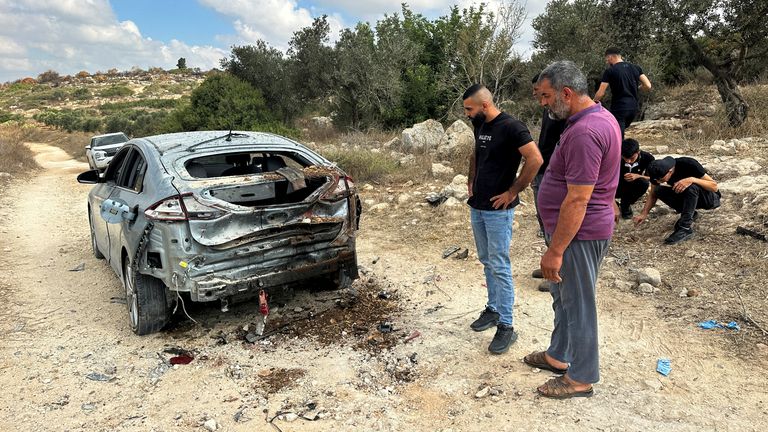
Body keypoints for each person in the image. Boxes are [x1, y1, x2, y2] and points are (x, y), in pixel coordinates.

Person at [524, 60, 621, 399]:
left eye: (546, 96)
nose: (544, 103)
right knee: (563, 300)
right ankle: (558, 355)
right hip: (577, 231)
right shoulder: (594, 118)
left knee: (578, 305)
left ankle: (580, 377)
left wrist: (555, 250)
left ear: (566, 92)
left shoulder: (584, 131)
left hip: (579, 235)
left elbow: (578, 199)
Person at [463, 84, 543, 355]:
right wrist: (471, 179)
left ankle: (507, 326)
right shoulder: (480, 124)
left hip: (499, 210)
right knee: (487, 261)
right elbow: (476, 152)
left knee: (499, 265)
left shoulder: (512, 127)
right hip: (478, 205)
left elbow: (535, 159)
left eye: (469, 109)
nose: (467, 114)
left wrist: (513, 191)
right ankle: (493, 309)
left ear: (485, 105)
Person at [530, 74, 567, 293]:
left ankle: (557, 272)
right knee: (543, 220)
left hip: (552, 173)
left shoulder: (562, 112)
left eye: (541, 92)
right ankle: (548, 264)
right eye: (536, 91)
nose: (537, 96)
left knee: (553, 222)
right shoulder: (548, 110)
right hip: (541, 168)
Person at [634, 156, 721, 244]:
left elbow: (714, 186)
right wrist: (644, 214)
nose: (659, 181)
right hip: (689, 199)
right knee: (658, 190)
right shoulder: (658, 173)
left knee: (691, 187)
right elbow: (652, 194)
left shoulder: (689, 164)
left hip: (710, 199)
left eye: (661, 179)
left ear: (670, 172)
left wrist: (691, 180)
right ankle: (690, 214)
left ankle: (685, 228)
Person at [594, 47, 652, 138]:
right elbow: (648, 85)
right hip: (634, 108)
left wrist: (592, 102)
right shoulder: (636, 68)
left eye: (606, 60)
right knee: (620, 133)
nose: (607, 62)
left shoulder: (610, 71)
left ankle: (621, 151)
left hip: (619, 108)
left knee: (618, 137)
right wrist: (636, 88)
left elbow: (601, 93)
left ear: (610, 57)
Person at [616, 138, 654, 219]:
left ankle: (625, 204)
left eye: (632, 158)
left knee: (644, 182)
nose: (629, 161)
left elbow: (653, 178)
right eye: (625, 158)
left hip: (634, 186)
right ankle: (612, 203)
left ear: (638, 152)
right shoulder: (615, 157)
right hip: (617, 185)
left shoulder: (648, 158)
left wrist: (638, 176)